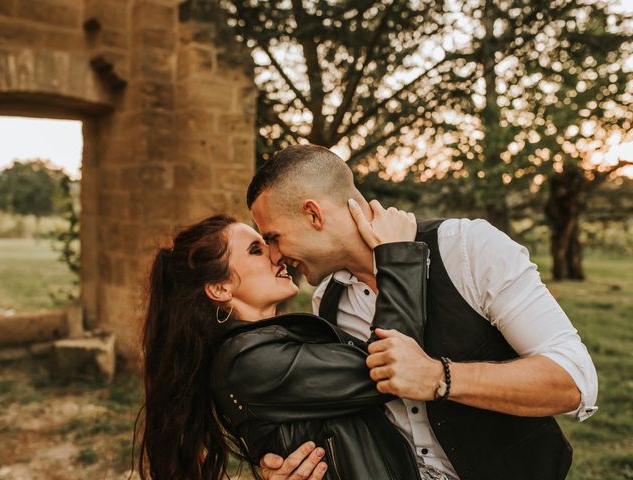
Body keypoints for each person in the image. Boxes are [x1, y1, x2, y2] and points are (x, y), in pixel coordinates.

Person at [248, 144, 599, 480]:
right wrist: (290, 466)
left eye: (274, 237)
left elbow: (573, 380)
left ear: (314, 214)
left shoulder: (466, 248)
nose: (274, 256)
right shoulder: (326, 302)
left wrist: (439, 378)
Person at [135, 206, 453, 480]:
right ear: (221, 288)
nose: (277, 256)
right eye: (257, 250)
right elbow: (389, 370)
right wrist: (397, 255)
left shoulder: (260, 346)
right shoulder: (247, 362)